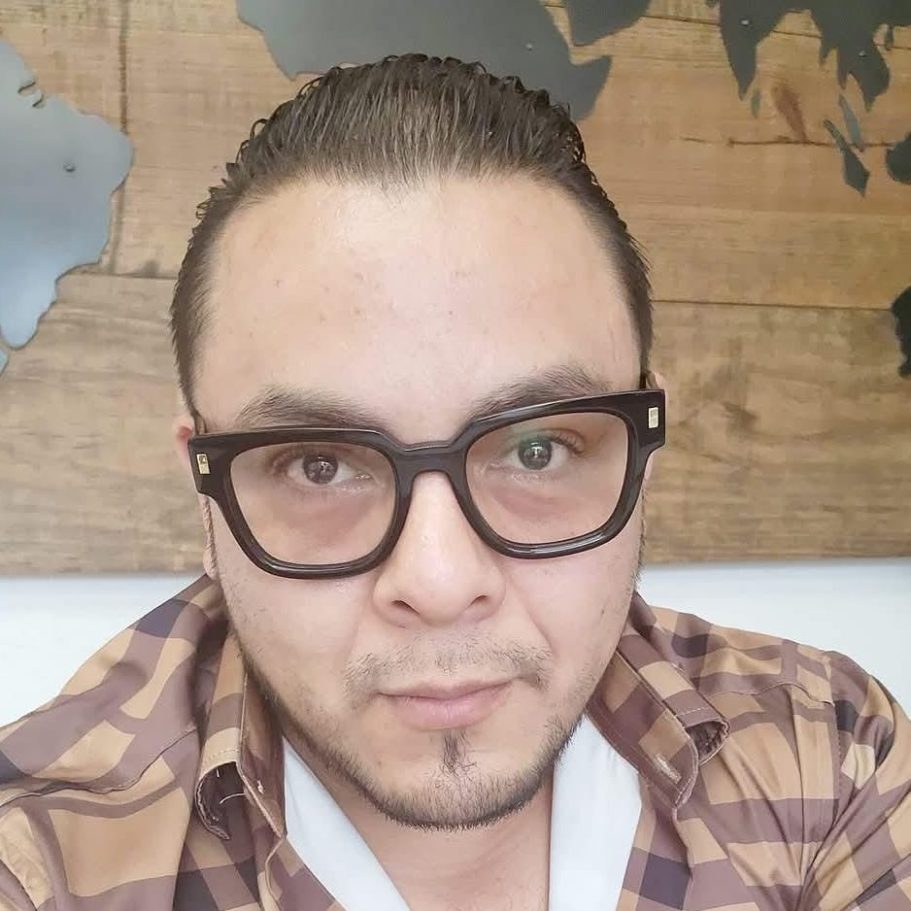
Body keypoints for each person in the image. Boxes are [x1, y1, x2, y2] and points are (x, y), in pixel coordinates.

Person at [1, 54, 908, 911]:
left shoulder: (827, 750)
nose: (438, 584)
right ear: (208, 499)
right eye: (320, 465)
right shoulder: (44, 861)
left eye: (537, 449)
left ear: (642, 452)